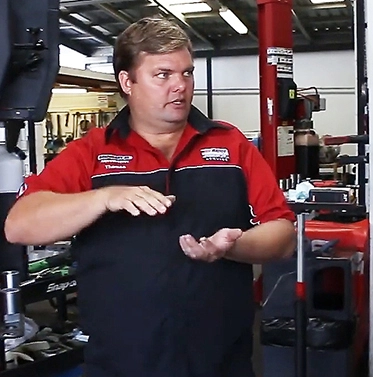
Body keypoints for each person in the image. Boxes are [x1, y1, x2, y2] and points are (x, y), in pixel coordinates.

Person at [4, 16, 296, 377]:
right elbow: (19, 225)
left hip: (221, 361)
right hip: (122, 362)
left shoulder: (231, 145)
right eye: (163, 75)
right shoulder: (93, 152)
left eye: (186, 73)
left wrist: (230, 248)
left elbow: (283, 234)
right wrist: (103, 198)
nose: (180, 86)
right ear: (127, 81)